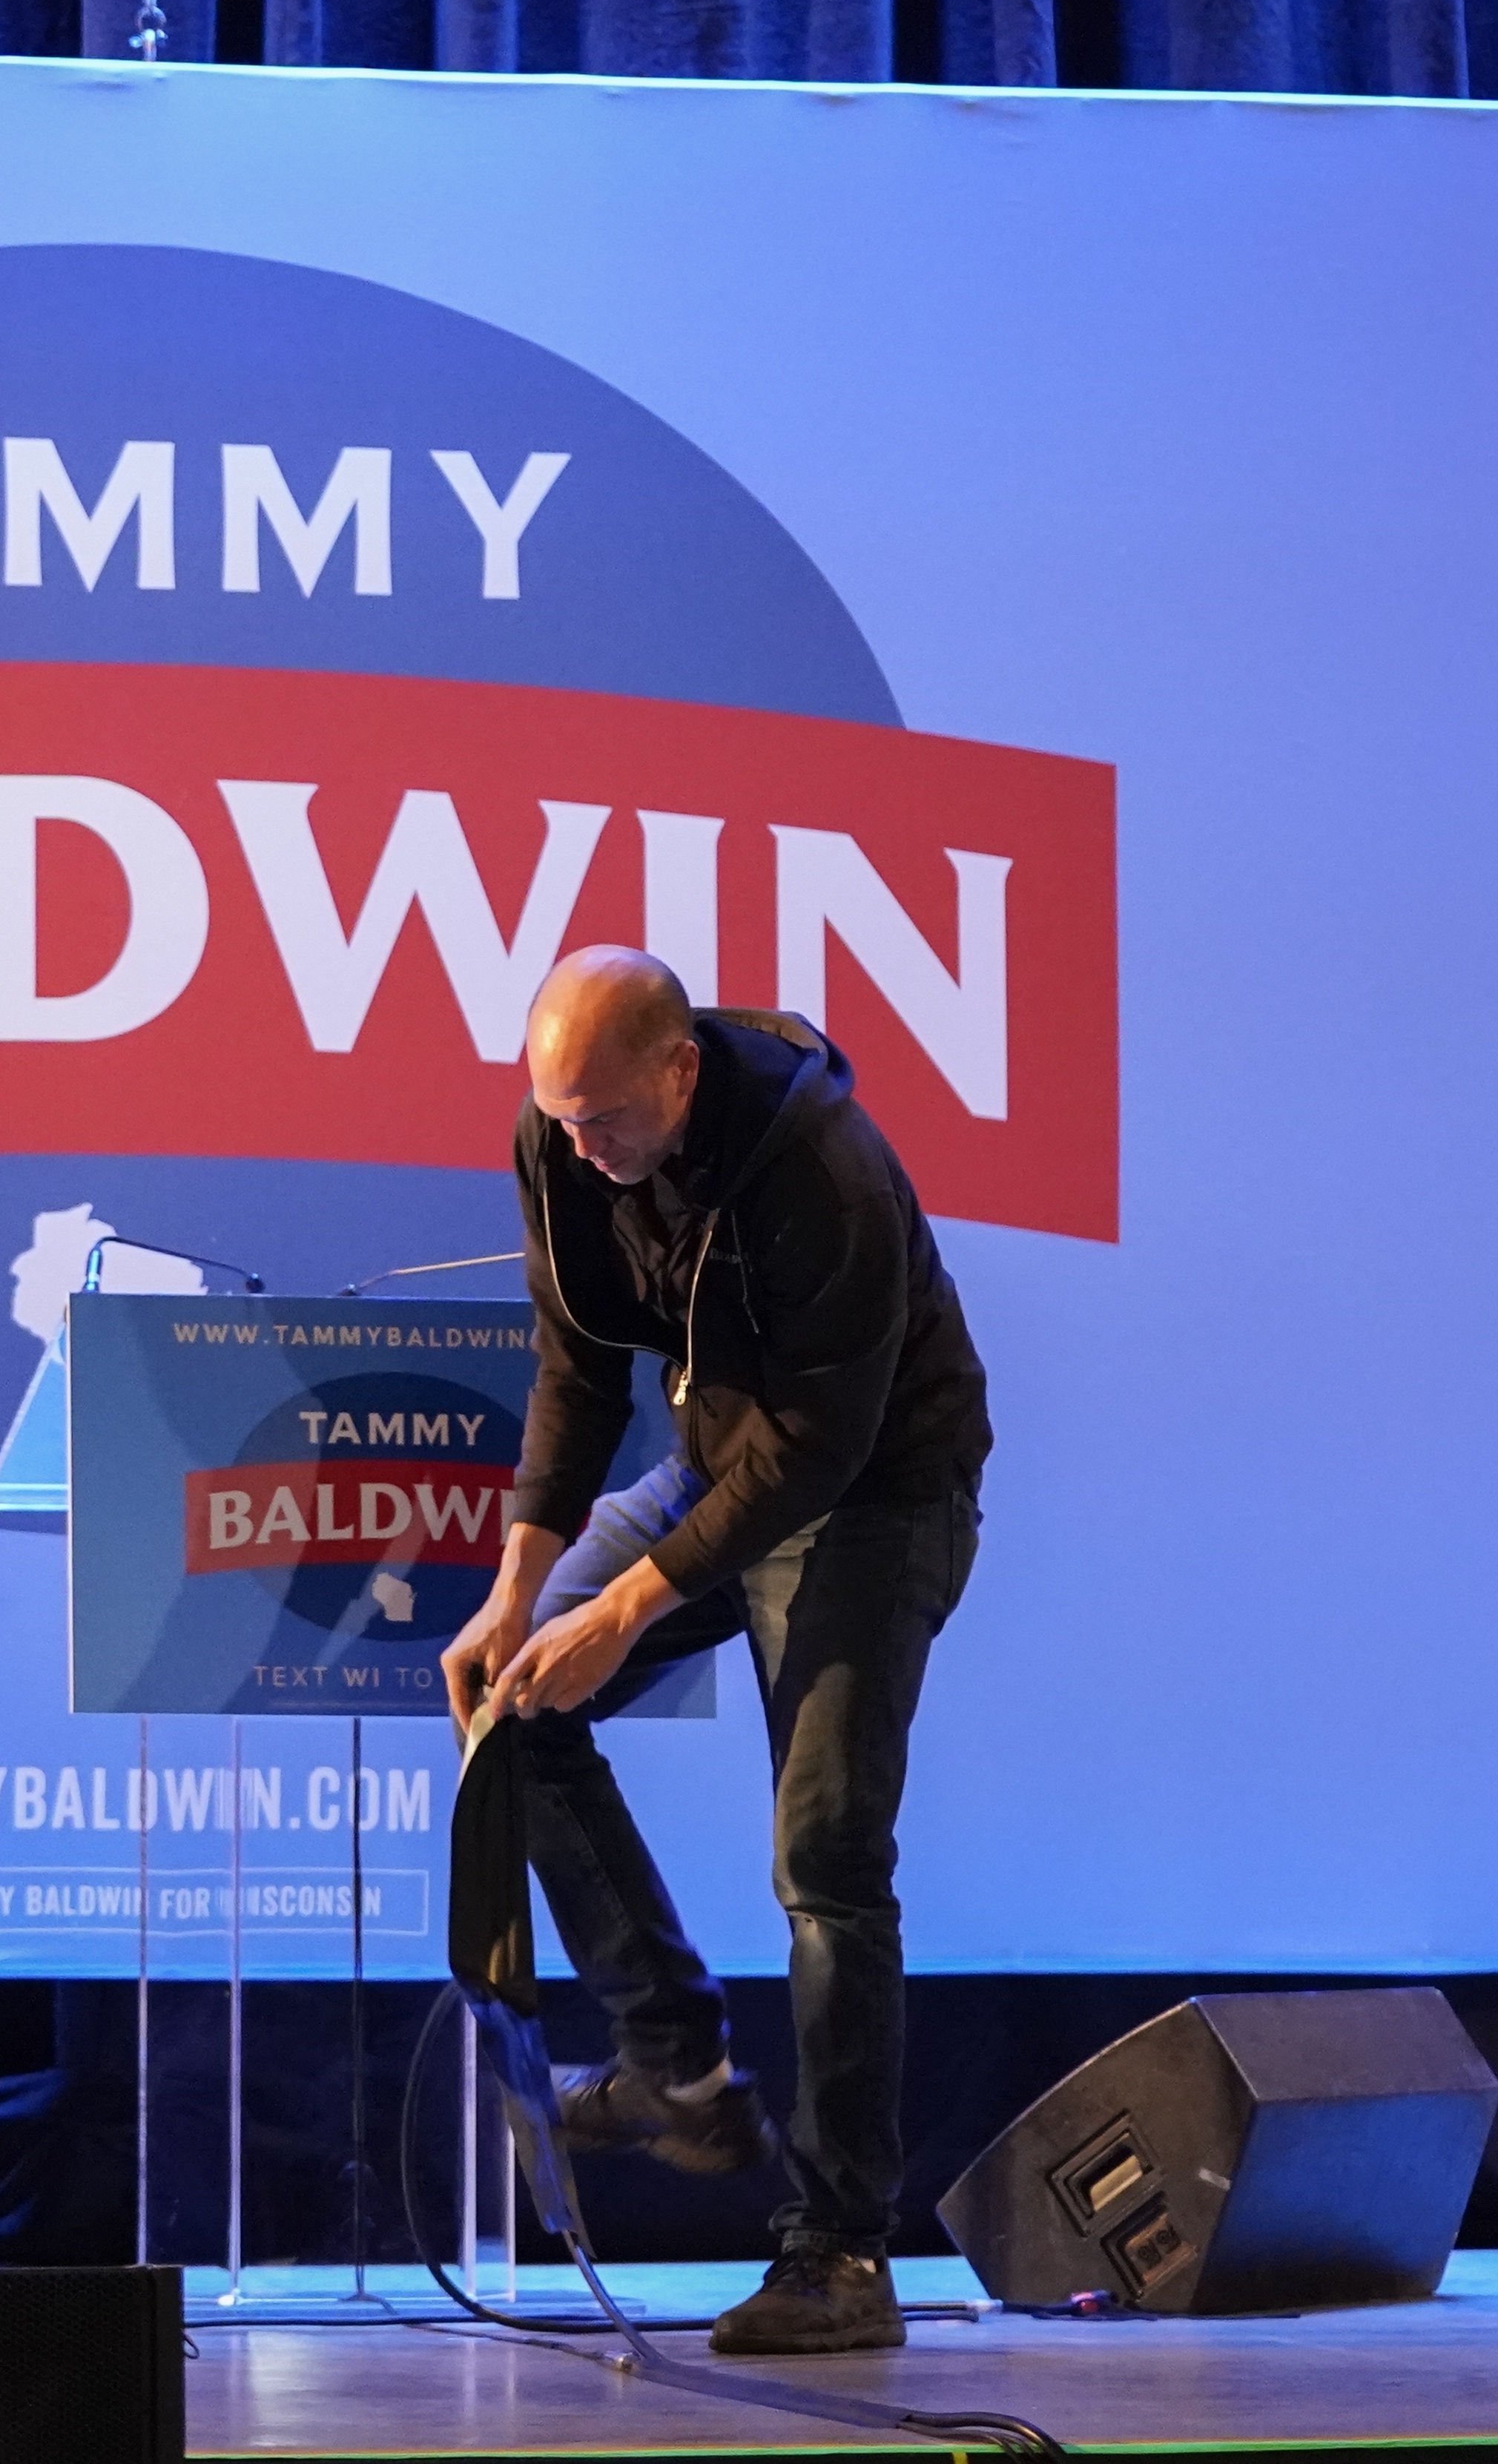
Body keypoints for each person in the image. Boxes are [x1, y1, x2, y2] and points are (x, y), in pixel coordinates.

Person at [437, 945, 991, 2357]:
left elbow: (816, 1451)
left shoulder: (827, 1169)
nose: (578, 1144)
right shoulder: (565, 1133)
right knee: (514, 1701)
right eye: (558, 1118)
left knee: (827, 1862)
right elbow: (576, 1366)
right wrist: (522, 1590)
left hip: (874, 1495)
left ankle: (844, 2259)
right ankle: (674, 2065)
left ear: (679, 1072)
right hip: (712, 1465)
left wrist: (616, 1613)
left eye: (604, 1118)